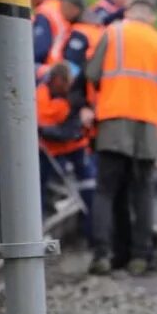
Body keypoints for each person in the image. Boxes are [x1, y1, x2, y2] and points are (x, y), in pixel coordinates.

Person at [85, 0, 157, 276]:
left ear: (128, 14)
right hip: (149, 125)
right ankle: (140, 256)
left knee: (105, 190)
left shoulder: (114, 33)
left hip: (114, 120)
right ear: (153, 17)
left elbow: (92, 73)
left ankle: (103, 254)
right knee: (142, 192)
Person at [35, 62, 95, 232]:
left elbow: (70, 131)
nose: (68, 86)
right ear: (56, 80)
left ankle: (92, 227)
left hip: (74, 147)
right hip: (47, 150)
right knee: (38, 185)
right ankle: (38, 225)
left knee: (88, 184)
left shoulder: (75, 98)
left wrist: (42, 130)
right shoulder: (39, 95)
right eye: (65, 82)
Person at [55, 0, 106, 76]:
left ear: (74, 9)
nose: (61, 10)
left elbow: (71, 66)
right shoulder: (95, 26)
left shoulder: (80, 32)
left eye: (64, 6)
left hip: (83, 83)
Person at [31, 0, 68, 66]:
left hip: (51, 65)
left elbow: (40, 49)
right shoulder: (57, 4)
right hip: (64, 63)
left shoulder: (44, 12)